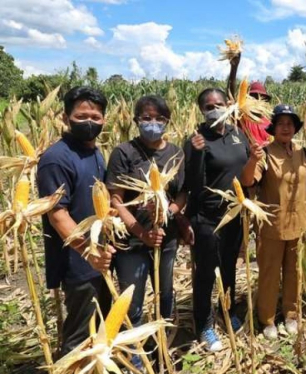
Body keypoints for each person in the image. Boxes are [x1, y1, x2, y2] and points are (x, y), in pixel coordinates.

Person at [37, 86, 114, 355]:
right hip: (78, 261)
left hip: (99, 256)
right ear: (65, 117)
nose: (89, 122)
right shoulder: (56, 159)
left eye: (95, 116)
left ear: (104, 119)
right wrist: (89, 251)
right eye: (81, 117)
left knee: (101, 327)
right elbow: (58, 215)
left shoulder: (94, 152)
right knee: (80, 334)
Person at [106, 95, 188, 330]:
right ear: (136, 120)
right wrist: (141, 233)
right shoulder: (123, 153)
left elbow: (182, 194)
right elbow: (115, 199)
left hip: (166, 238)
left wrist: (167, 213)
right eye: (146, 118)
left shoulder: (176, 153)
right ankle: (135, 356)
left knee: (165, 294)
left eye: (158, 118)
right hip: (131, 242)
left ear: (168, 121)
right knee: (132, 301)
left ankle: (165, 342)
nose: (152, 123)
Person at [240, 104, 306, 340]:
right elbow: (247, 181)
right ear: (273, 128)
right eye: (281, 123)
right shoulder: (264, 153)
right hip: (272, 225)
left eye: (290, 123)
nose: (286, 127)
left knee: (295, 272)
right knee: (270, 274)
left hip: (299, 223)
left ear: (295, 128)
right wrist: (253, 159)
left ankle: (291, 315)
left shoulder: (302, 152)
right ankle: (268, 319)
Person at [184, 88, 250, 351]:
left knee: (229, 267)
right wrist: (198, 154)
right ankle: (204, 324)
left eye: (219, 104)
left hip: (235, 214)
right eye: (208, 106)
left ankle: (227, 310)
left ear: (228, 104)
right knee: (206, 274)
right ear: (201, 110)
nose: (214, 109)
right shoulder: (197, 140)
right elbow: (192, 184)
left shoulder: (237, 134)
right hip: (208, 218)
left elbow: (247, 168)